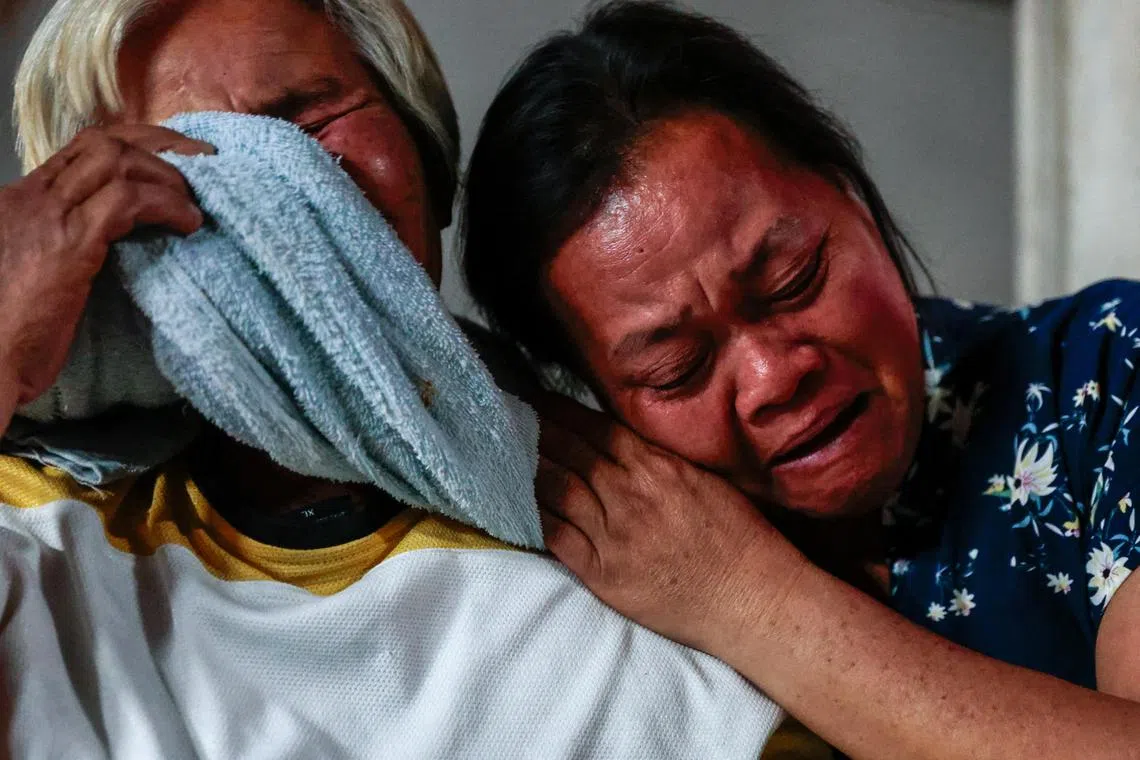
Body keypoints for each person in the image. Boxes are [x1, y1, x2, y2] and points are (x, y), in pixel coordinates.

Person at [0, 0, 787, 756]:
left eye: (313, 118)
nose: (284, 184)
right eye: (181, 160)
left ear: (430, 157)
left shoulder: (651, 535)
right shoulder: (35, 528)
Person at [462, 2, 1140, 758]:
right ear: (597, 398)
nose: (773, 377)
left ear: (849, 195)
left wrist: (750, 598)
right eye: (675, 368)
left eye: (794, 279)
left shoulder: (1105, 373)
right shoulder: (596, 569)